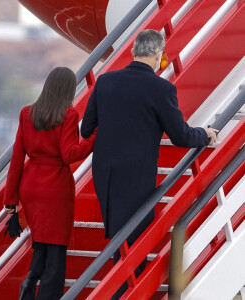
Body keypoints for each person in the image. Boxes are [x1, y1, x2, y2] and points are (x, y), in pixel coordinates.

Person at [81, 29, 218, 299]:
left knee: (121, 241)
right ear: (158, 55)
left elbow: (86, 130)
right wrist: (205, 134)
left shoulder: (105, 81)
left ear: (133, 52)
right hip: (136, 179)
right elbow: (180, 136)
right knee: (135, 245)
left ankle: (119, 291)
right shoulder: (162, 88)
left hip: (105, 175)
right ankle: (124, 294)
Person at [2, 67, 97, 300]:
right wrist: (94, 138)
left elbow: (16, 159)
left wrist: (10, 201)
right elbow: (69, 154)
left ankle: (29, 285)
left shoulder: (27, 113)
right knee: (55, 249)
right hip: (55, 187)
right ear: (67, 89)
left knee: (42, 241)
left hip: (31, 185)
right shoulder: (69, 115)